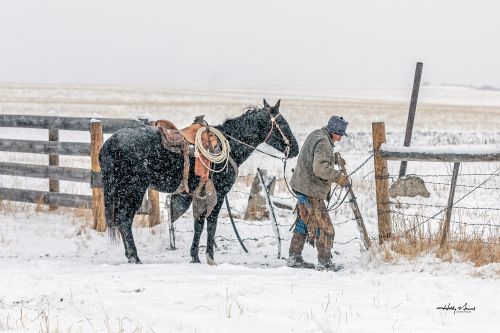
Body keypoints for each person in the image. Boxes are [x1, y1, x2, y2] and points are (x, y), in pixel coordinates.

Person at [287, 115, 350, 270]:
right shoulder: (323, 142)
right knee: (324, 226)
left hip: (302, 185)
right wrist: (338, 177)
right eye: (340, 135)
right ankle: (325, 262)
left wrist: (332, 159)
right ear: (333, 131)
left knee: (304, 222)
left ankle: (294, 257)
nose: (340, 139)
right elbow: (319, 168)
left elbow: (313, 157)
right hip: (310, 189)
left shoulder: (317, 134)